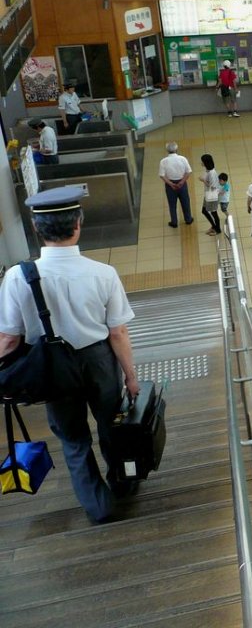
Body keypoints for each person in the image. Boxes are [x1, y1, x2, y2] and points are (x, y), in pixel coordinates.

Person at [0, 186, 140, 523]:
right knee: (111, 425)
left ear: (37, 228)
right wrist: (131, 376)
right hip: (99, 362)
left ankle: (99, 506)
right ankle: (123, 483)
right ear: (78, 224)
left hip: (50, 367)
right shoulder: (103, 273)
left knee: (74, 439)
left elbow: (8, 339)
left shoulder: (18, 277)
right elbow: (118, 333)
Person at [158, 142, 193, 228]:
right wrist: (182, 182)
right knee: (185, 202)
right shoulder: (183, 159)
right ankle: (188, 219)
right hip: (182, 184)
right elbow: (188, 172)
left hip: (170, 185)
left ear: (167, 150)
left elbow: (162, 175)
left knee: (172, 204)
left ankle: (174, 222)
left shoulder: (163, 161)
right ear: (176, 149)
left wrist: (170, 184)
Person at [199, 154, 221, 236]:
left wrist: (203, 180)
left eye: (202, 161)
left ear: (205, 162)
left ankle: (217, 229)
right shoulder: (208, 171)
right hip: (208, 194)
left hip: (212, 196)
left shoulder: (212, 173)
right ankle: (214, 226)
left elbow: (213, 187)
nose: (201, 162)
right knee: (204, 211)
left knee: (213, 213)